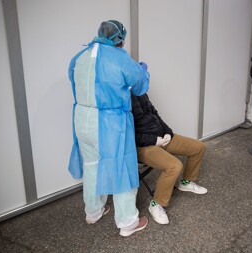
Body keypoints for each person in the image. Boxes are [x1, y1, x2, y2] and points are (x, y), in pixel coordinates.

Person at [68, 20, 150, 237]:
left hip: (82, 118)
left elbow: (75, 85)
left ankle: (93, 211)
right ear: (120, 39)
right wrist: (142, 69)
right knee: (121, 167)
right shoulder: (120, 58)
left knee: (92, 165)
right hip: (110, 122)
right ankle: (128, 222)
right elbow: (140, 86)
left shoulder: (79, 58)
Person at [131, 92, 207, 225]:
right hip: (143, 146)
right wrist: (154, 140)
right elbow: (128, 136)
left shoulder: (141, 91)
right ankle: (156, 204)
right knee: (174, 166)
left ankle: (186, 183)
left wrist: (168, 132)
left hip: (160, 138)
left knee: (198, 147)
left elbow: (155, 114)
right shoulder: (121, 96)